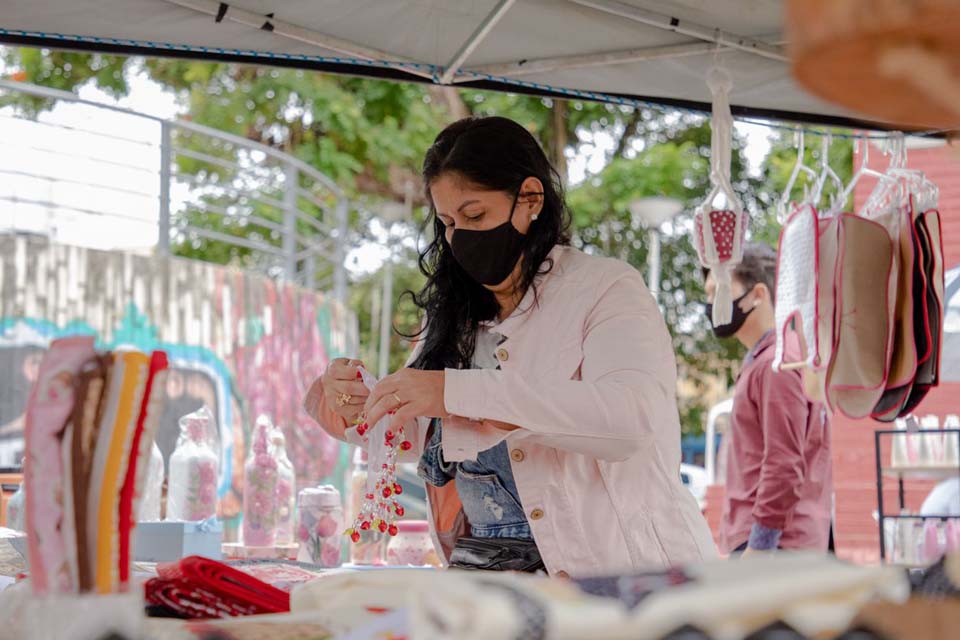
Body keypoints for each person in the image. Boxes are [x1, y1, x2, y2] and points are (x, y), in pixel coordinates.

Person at [305, 116, 716, 576]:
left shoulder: (605, 287)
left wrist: (456, 391)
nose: (460, 237)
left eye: (475, 215)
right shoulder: (451, 316)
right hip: (489, 576)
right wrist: (360, 403)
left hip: (619, 576)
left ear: (530, 199)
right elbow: (420, 437)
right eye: (448, 223)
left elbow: (628, 421)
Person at [704, 243, 833, 555]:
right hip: (774, 545)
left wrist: (759, 548)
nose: (711, 304)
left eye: (718, 291)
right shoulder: (774, 359)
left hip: (773, 548)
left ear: (758, 294)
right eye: (708, 295)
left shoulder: (776, 366)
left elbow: (784, 463)